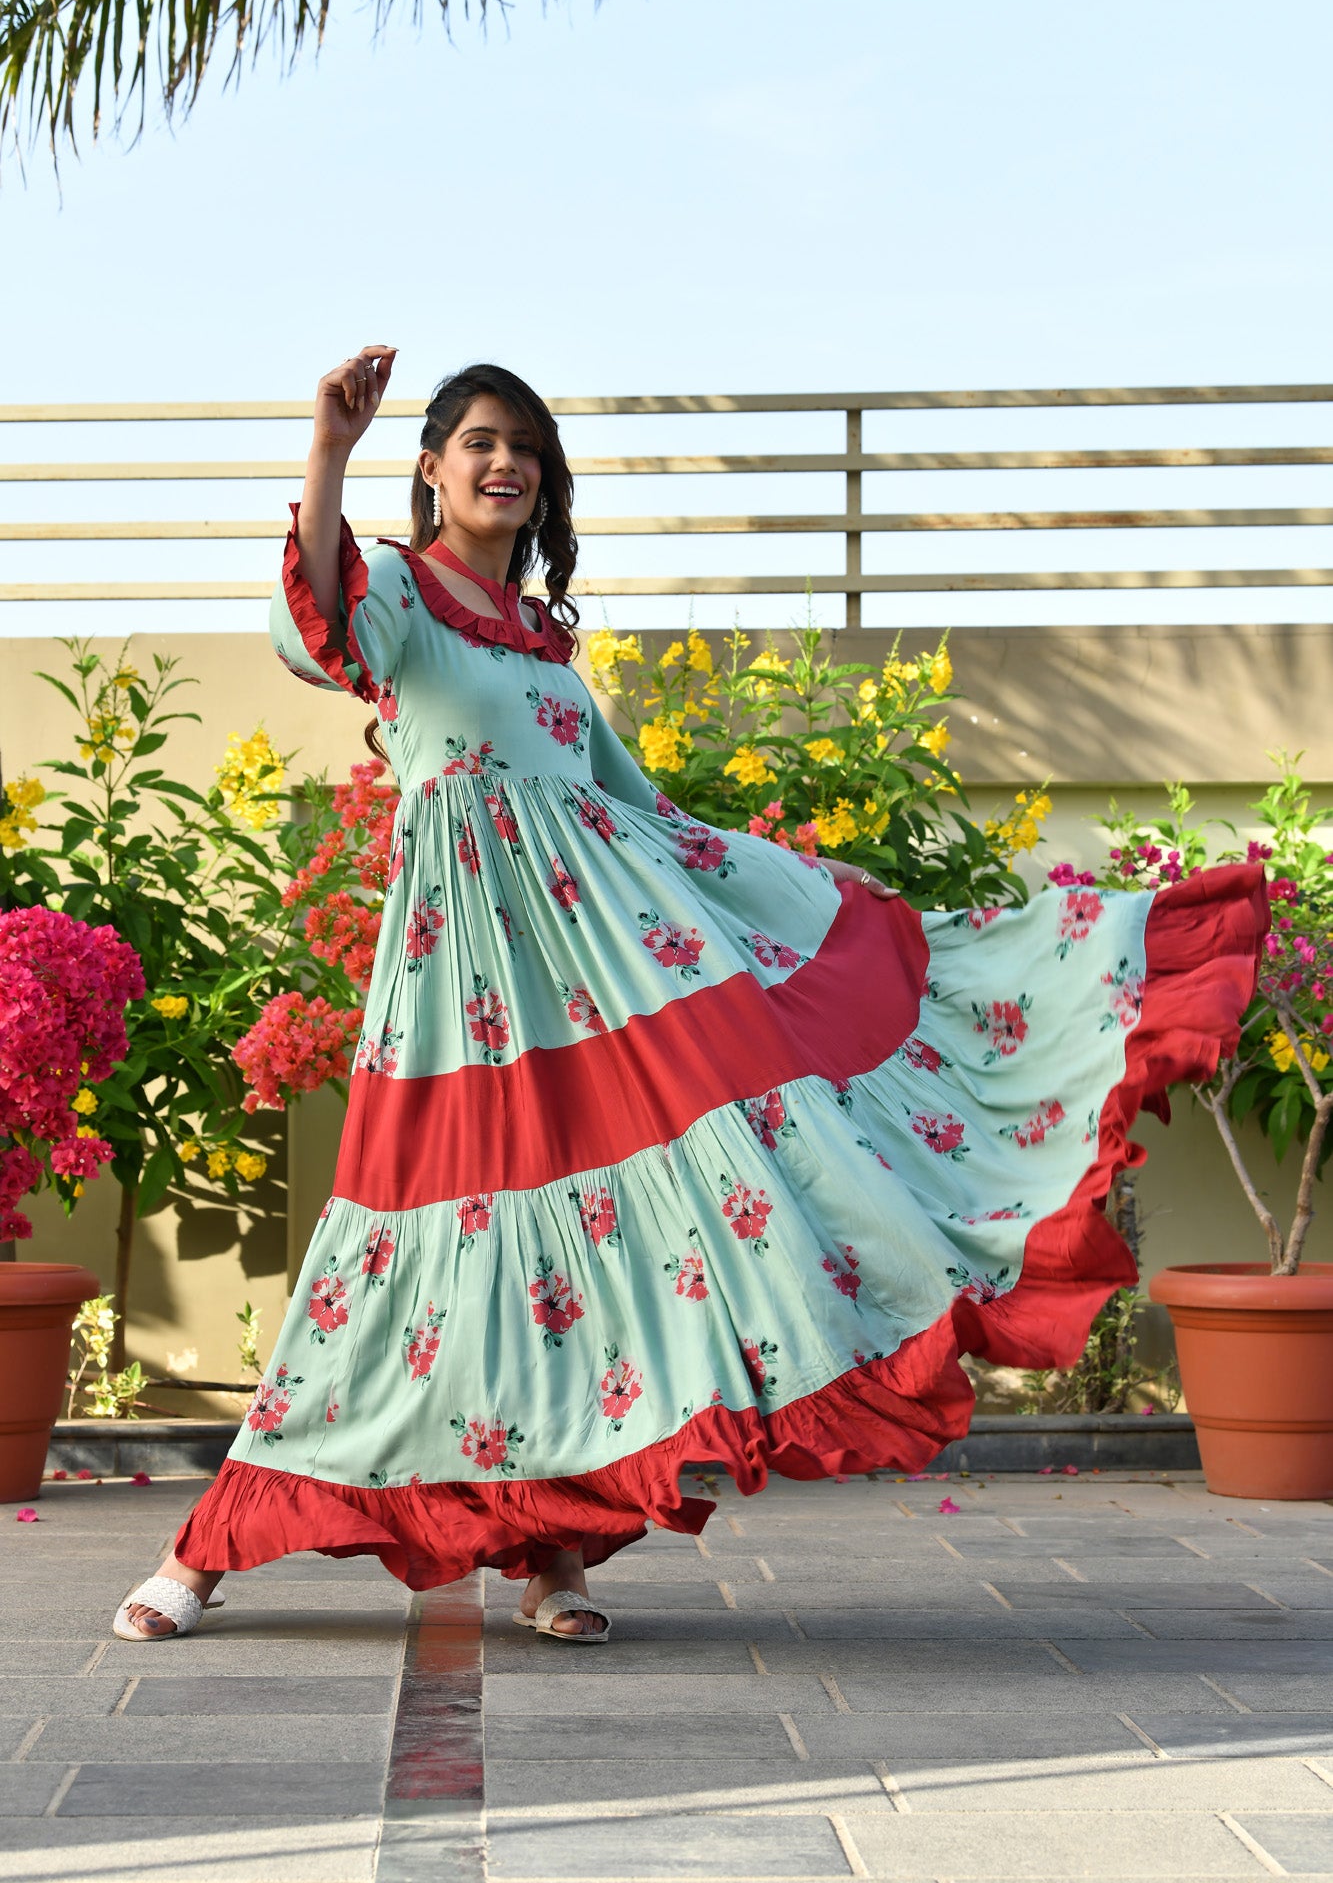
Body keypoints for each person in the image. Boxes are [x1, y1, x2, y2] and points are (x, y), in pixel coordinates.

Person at [114, 347, 1269, 1643]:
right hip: (463, 993)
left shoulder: (548, 650)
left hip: (605, 989)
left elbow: (637, 811)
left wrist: (812, 892)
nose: (505, 463)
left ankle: (557, 1557)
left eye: (526, 448)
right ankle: (204, 1554)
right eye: (480, 441)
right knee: (408, 1238)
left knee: (594, 1263)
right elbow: (313, 630)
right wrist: (327, 449)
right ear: (431, 465)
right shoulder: (397, 594)